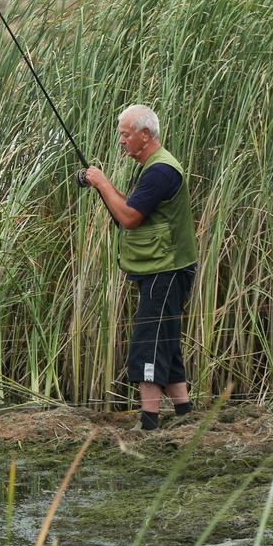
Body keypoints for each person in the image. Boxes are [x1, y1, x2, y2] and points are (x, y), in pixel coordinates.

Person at [81, 104, 198, 431]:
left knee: (150, 341)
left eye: (126, 134)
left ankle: (148, 423)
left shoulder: (160, 171)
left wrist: (103, 182)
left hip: (167, 270)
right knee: (167, 339)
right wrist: (100, 185)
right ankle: (185, 414)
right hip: (165, 267)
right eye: (121, 134)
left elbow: (129, 219)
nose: (122, 141)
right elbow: (132, 206)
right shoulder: (152, 168)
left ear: (145, 135)